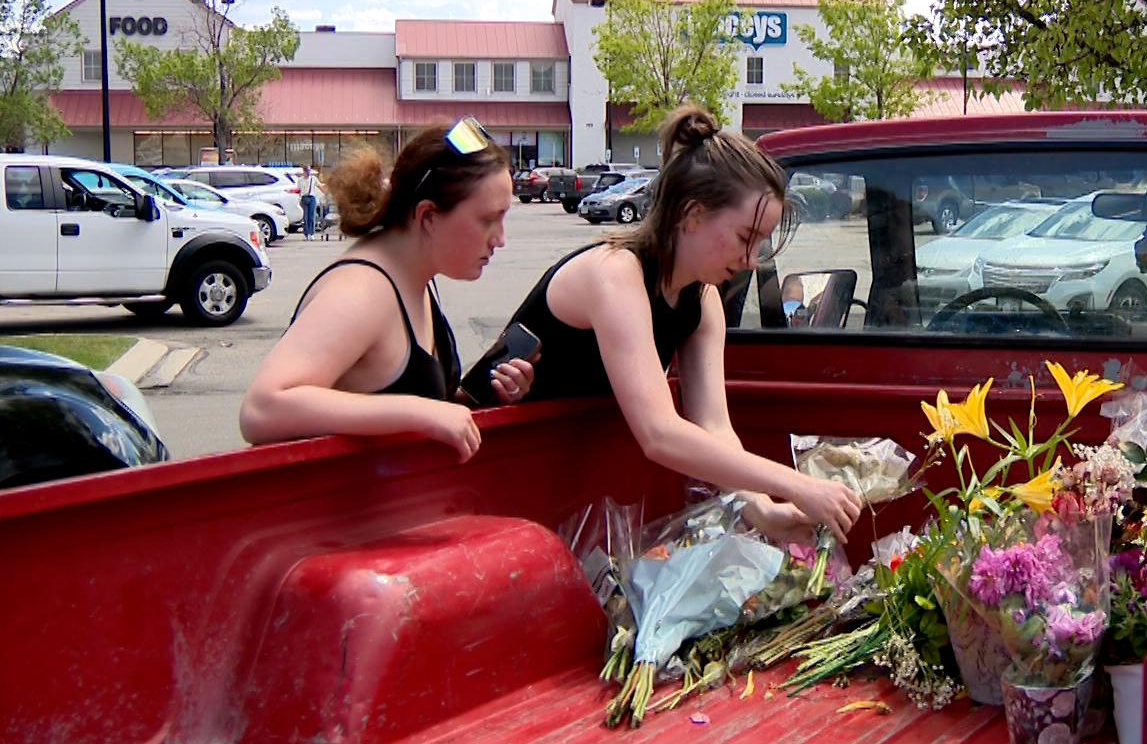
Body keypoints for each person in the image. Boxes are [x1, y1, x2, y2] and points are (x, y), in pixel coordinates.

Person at [503, 105, 862, 544]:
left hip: (570, 486)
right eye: (745, 237)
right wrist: (796, 485)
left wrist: (763, 510)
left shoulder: (703, 298)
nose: (751, 260)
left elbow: (713, 426)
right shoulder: (615, 273)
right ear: (692, 216)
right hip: (503, 478)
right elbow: (659, 432)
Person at [240, 119, 536, 461]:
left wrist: (473, 400)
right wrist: (419, 412)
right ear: (427, 216)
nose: (500, 239)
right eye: (488, 220)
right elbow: (261, 409)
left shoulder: (416, 276)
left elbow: (396, 406)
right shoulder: (361, 292)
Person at [298, 164, 320, 240]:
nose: (307, 173)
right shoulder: (300, 180)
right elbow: (298, 189)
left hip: (312, 197)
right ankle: (305, 233)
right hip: (304, 198)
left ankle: (311, 233)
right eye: (306, 171)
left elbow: (319, 186)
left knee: (311, 216)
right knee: (305, 217)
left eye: (308, 171)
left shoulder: (313, 179)